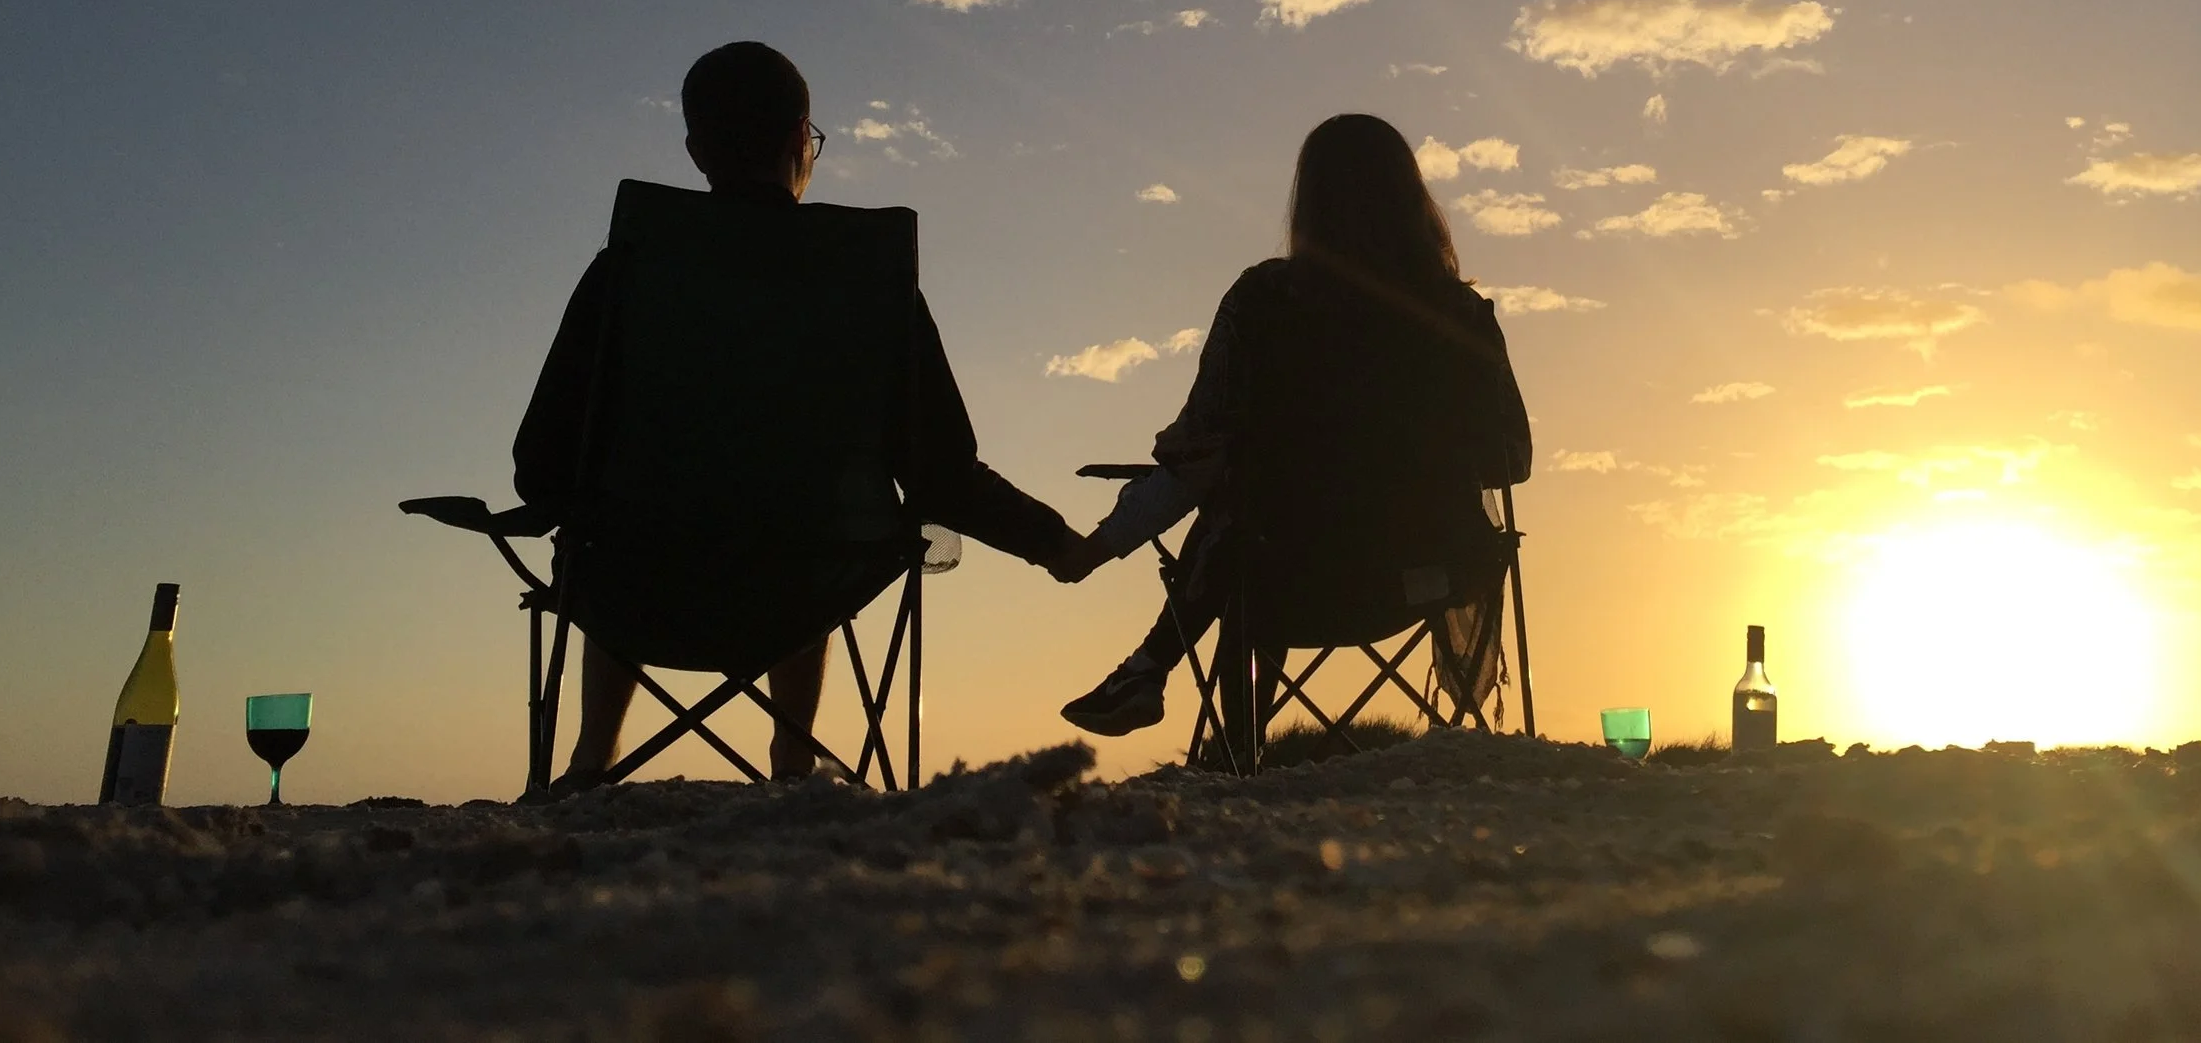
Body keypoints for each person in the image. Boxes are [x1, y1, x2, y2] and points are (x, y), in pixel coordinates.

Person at [512, 40, 1083, 790]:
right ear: (798, 137)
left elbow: (541, 464)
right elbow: (944, 474)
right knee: (804, 513)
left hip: (637, 582)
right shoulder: (867, 277)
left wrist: (579, 502)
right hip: (813, 577)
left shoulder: (629, 270)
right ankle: (792, 758)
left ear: (695, 150)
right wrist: (1055, 543)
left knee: (609, 520)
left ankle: (592, 761)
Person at [1055, 112, 1533, 736]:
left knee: (1241, 505)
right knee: (1252, 502)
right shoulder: (1460, 314)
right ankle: (1146, 670)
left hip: (1289, 579)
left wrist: (1100, 544)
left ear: (1308, 201)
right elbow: (1510, 461)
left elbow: (1197, 462)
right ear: (1413, 198)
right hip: (1430, 573)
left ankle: (1167, 688)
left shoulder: (1265, 303)